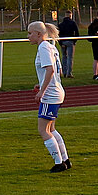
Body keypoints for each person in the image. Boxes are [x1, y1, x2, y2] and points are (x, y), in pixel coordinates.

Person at [27, 21, 70, 172]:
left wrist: (42, 91)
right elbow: (57, 72)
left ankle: (59, 163)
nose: (28, 37)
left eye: (30, 33)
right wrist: (41, 84)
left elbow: (51, 70)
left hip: (51, 94)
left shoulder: (43, 47)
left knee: (43, 130)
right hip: (57, 91)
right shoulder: (51, 46)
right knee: (51, 128)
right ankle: (65, 159)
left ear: (39, 34)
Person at [57, 9, 80, 79]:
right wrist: (74, 41)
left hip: (63, 41)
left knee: (64, 57)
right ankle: (69, 73)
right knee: (70, 58)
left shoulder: (61, 24)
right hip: (70, 41)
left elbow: (58, 34)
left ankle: (64, 72)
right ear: (71, 15)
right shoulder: (72, 23)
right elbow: (77, 33)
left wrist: (60, 43)